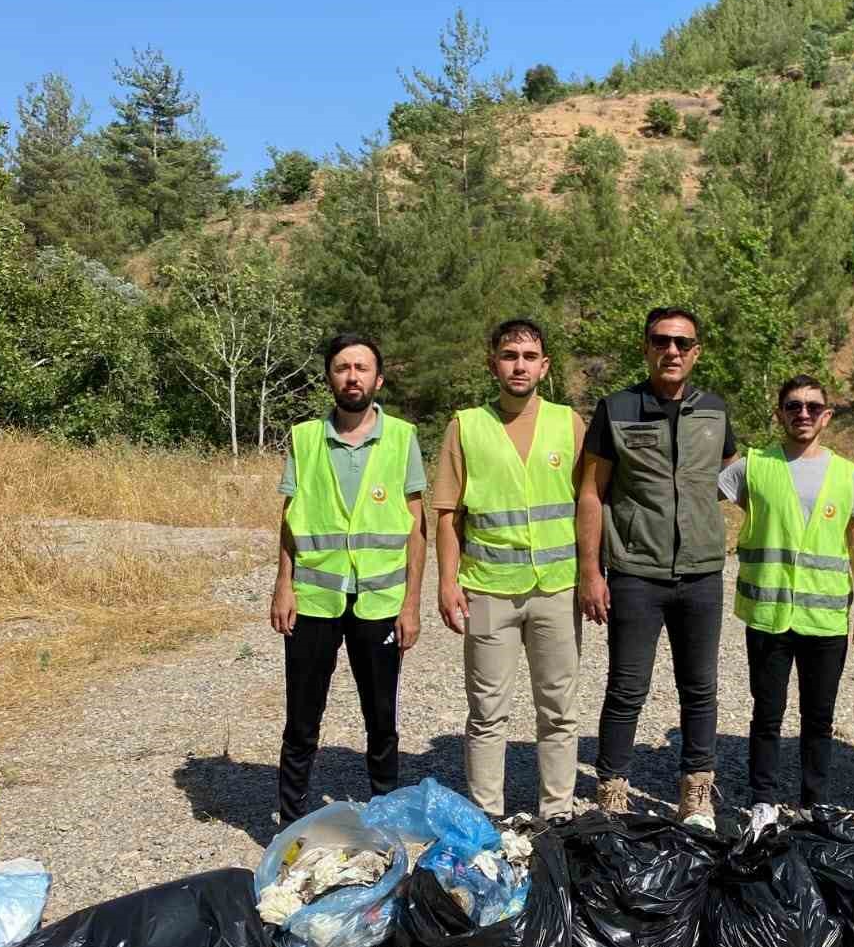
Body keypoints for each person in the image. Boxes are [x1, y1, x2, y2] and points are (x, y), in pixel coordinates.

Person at [578, 307, 737, 827]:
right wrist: (591, 572)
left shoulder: (714, 409)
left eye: (682, 343)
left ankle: (696, 791)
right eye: (661, 341)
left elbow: (729, 478)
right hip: (635, 573)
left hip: (702, 573)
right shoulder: (618, 408)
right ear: (646, 348)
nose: (672, 351)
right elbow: (591, 492)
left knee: (700, 688)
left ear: (696, 352)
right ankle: (612, 791)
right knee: (627, 688)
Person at [270, 333, 426, 825]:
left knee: (381, 719)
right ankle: (291, 822)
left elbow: (417, 528)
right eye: (342, 368)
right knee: (302, 719)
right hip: (315, 599)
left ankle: (385, 815)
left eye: (361, 368)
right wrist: (283, 585)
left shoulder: (401, 437)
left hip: (380, 603)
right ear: (329, 378)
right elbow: (291, 518)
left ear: (378, 380)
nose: (352, 377)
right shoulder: (304, 438)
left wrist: (411, 605)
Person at [432, 319, 584, 823]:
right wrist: (447, 582)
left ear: (545, 366)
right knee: (487, 712)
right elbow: (448, 514)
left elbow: (589, 502)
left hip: (557, 589)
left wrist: (593, 575)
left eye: (529, 356)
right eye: (509, 355)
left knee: (558, 710)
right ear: (492, 363)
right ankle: (486, 818)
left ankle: (557, 815)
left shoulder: (569, 423)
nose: (519, 365)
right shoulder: (466, 426)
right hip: (487, 590)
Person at [719, 375, 854, 830]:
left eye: (812, 406)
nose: (802, 413)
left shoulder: (845, 473)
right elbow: (694, 499)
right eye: (793, 405)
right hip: (768, 615)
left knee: (818, 717)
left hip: (825, 618)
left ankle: (813, 802)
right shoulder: (751, 467)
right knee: (767, 713)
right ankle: (763, 801)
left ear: (826, 416)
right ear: (779, 414)